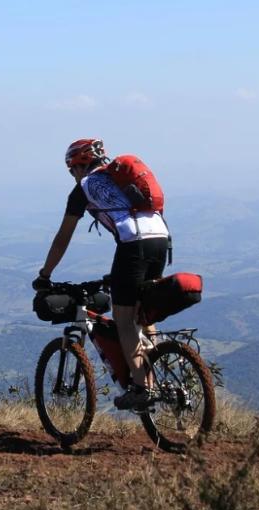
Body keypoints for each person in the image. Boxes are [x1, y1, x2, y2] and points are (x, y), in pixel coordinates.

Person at [33, 138, 170, 411]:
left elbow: (63, 238)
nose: (73, 176)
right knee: (142, 311)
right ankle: (156, 357)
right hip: (162, 239)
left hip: (134, 244)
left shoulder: (83, 188)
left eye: (72, 170)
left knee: (124, 320)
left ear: (79, 165)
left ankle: (143, 388)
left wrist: (45, 274)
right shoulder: (118, 179)